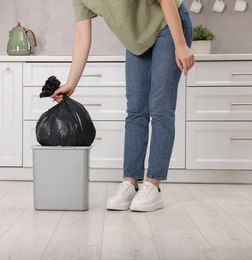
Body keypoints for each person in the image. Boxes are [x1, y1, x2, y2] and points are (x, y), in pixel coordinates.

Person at [51, 0, 195, 212]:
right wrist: (71, 82)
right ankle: (130, 181)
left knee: (160, 108)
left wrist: (181, 44)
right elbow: (82, 36)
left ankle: (153, 185)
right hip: (136, 41)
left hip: (168, 24)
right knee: (135, 110)